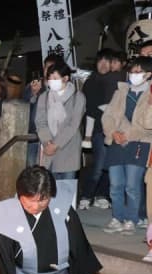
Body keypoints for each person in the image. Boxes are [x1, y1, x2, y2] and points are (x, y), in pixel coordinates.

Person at [101, 56, 152, 235]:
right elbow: (107, 115)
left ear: (148, 74)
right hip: (116, 141)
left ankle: (131, 219)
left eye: (138, 72)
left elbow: (147, 125)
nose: (133, 75)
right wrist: (112, 133)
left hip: (139, 143)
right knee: (115, 184)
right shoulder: (121, 90)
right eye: (132, 71)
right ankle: (117, 217)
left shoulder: (150, 94)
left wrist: (126, 135)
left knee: (132, 185)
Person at [79, 49, 120, 210]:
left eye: (106, 61)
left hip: (115, 129)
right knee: (99, 165)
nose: (103, 64)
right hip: (97, 129)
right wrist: (87, 135)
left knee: (108, 165)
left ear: (112, 64)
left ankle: (102, 195)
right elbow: (89, 109)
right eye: (100, 61)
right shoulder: (91, 81)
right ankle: (87, 195)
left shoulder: (116, 81)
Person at [35, 60, 85, 182]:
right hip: (48, 150)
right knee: (49, 189)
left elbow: (73, 124)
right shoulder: (44, 97)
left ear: (65, 78)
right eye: (50, 78)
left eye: (55, 78)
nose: (51, 81)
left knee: (67, 189)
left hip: (69, 148)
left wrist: (56, 144)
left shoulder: (78, 97)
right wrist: (47, 142)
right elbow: (40, 121)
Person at [23, 54, 61, 167]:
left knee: (49, 171)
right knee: (31, 168)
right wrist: (34, 94)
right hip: (33, 136)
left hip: (51, 139)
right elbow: (23, 106)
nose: (48, 70)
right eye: (46, 67)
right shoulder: (34, 85)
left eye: (52, 67)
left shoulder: (61, 87)